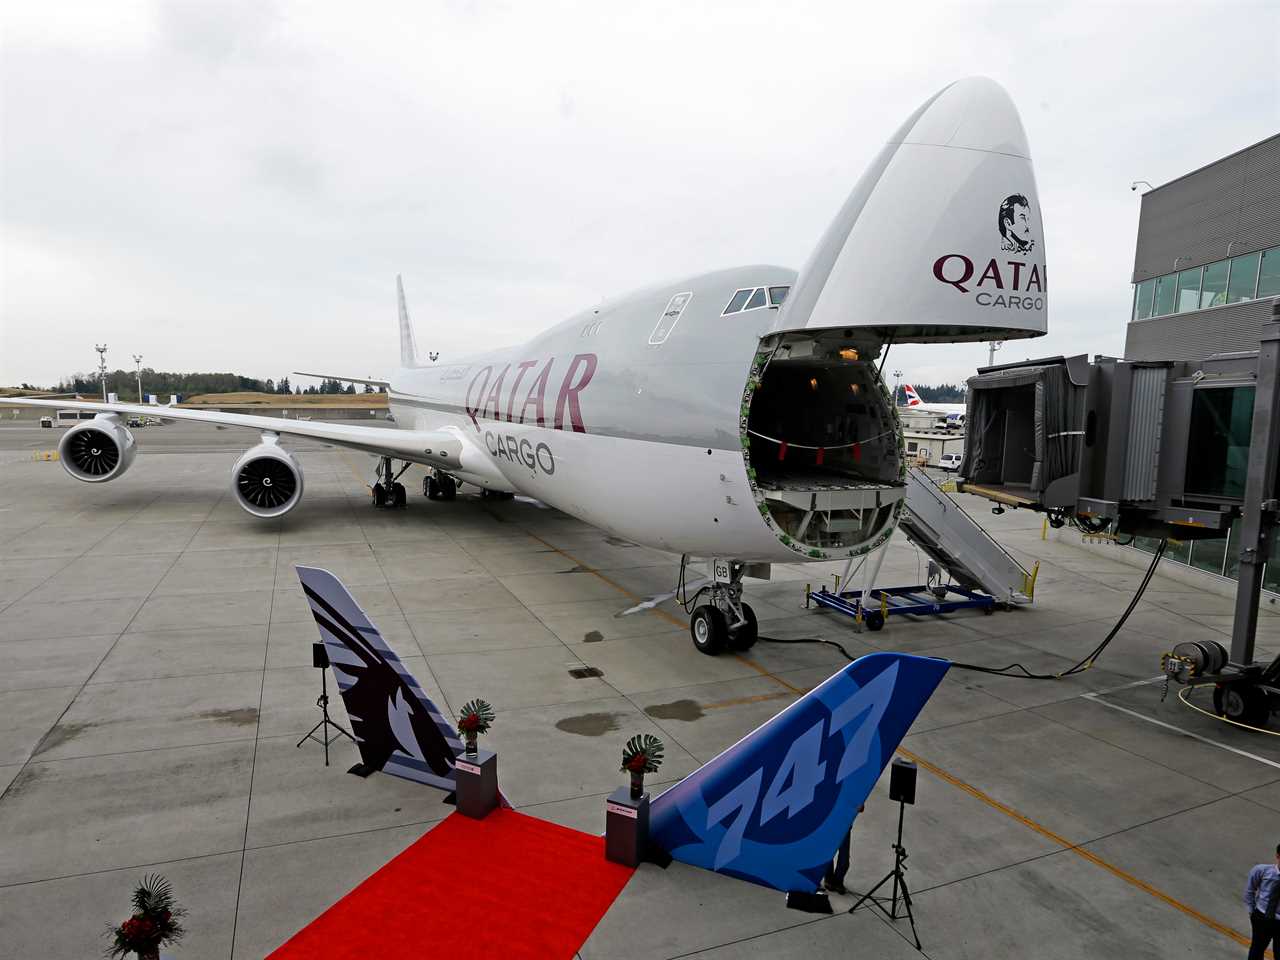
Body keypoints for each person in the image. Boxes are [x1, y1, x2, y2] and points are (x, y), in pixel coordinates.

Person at [1246, 843, 1280, 960]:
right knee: (1257, 950)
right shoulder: (1261, 870)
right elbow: (1250, 891)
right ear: (1278, 856)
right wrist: (1252, 913)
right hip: (1262, 917)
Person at [823, 804, 864, 895]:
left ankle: (838, 881)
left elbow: (861, 807)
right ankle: (828, 878)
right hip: (830, 821)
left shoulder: (852, 790)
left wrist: (859, 806)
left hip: (845, 825)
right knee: (828, 853)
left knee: (844, 859)